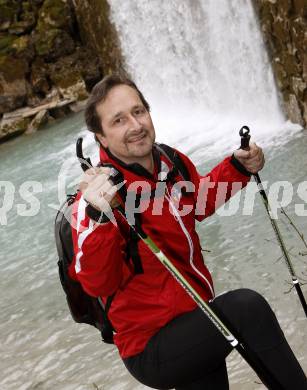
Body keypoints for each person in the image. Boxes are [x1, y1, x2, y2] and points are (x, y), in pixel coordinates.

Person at [69, 74, 307, 389]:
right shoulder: (95, 199)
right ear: (101, 137)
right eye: (119, 120)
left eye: (139, 112)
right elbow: (97, 282)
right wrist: (99, 215)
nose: (136, 124)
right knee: (247, 310)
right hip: (150, 345)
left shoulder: (169, 161)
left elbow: (195, 204)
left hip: (194, 318)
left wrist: (237, 167)